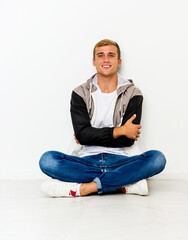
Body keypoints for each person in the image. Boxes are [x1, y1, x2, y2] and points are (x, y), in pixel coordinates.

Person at [39, 39, 166, 197]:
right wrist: (120, 131)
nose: (106, 59)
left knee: (157, 159)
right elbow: (82, 136)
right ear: (94, 61)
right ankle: (122, 185)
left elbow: (128, 140)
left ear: (119, 61)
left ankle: (84, 189)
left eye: (111, 55)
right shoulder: (79, 93)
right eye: (101, 55)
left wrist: (89, 135)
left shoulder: (134, 93)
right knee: (48, 160)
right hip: (86, 162)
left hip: (120, 161)